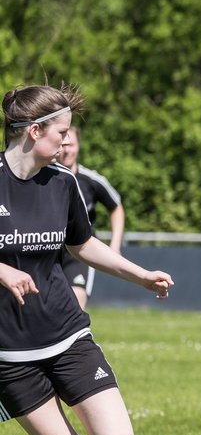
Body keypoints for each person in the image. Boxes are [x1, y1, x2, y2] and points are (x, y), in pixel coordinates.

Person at [0, 84, 174, 435]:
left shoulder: (62, 183)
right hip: (10, 356)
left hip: (67, 336)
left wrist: (139, 274)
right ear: (33, 132)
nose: (67, 142)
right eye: (60, 132)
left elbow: (84, 244)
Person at [56, 126, 126, 309]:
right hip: (50, 249)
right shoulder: (44, 177)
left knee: (77, 303)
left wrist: (115, 245)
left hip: (79, 251)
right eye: (62, 145)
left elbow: (116, 206)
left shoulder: (91, 180)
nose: (66, 150)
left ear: (78, 146)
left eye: (70, 145)